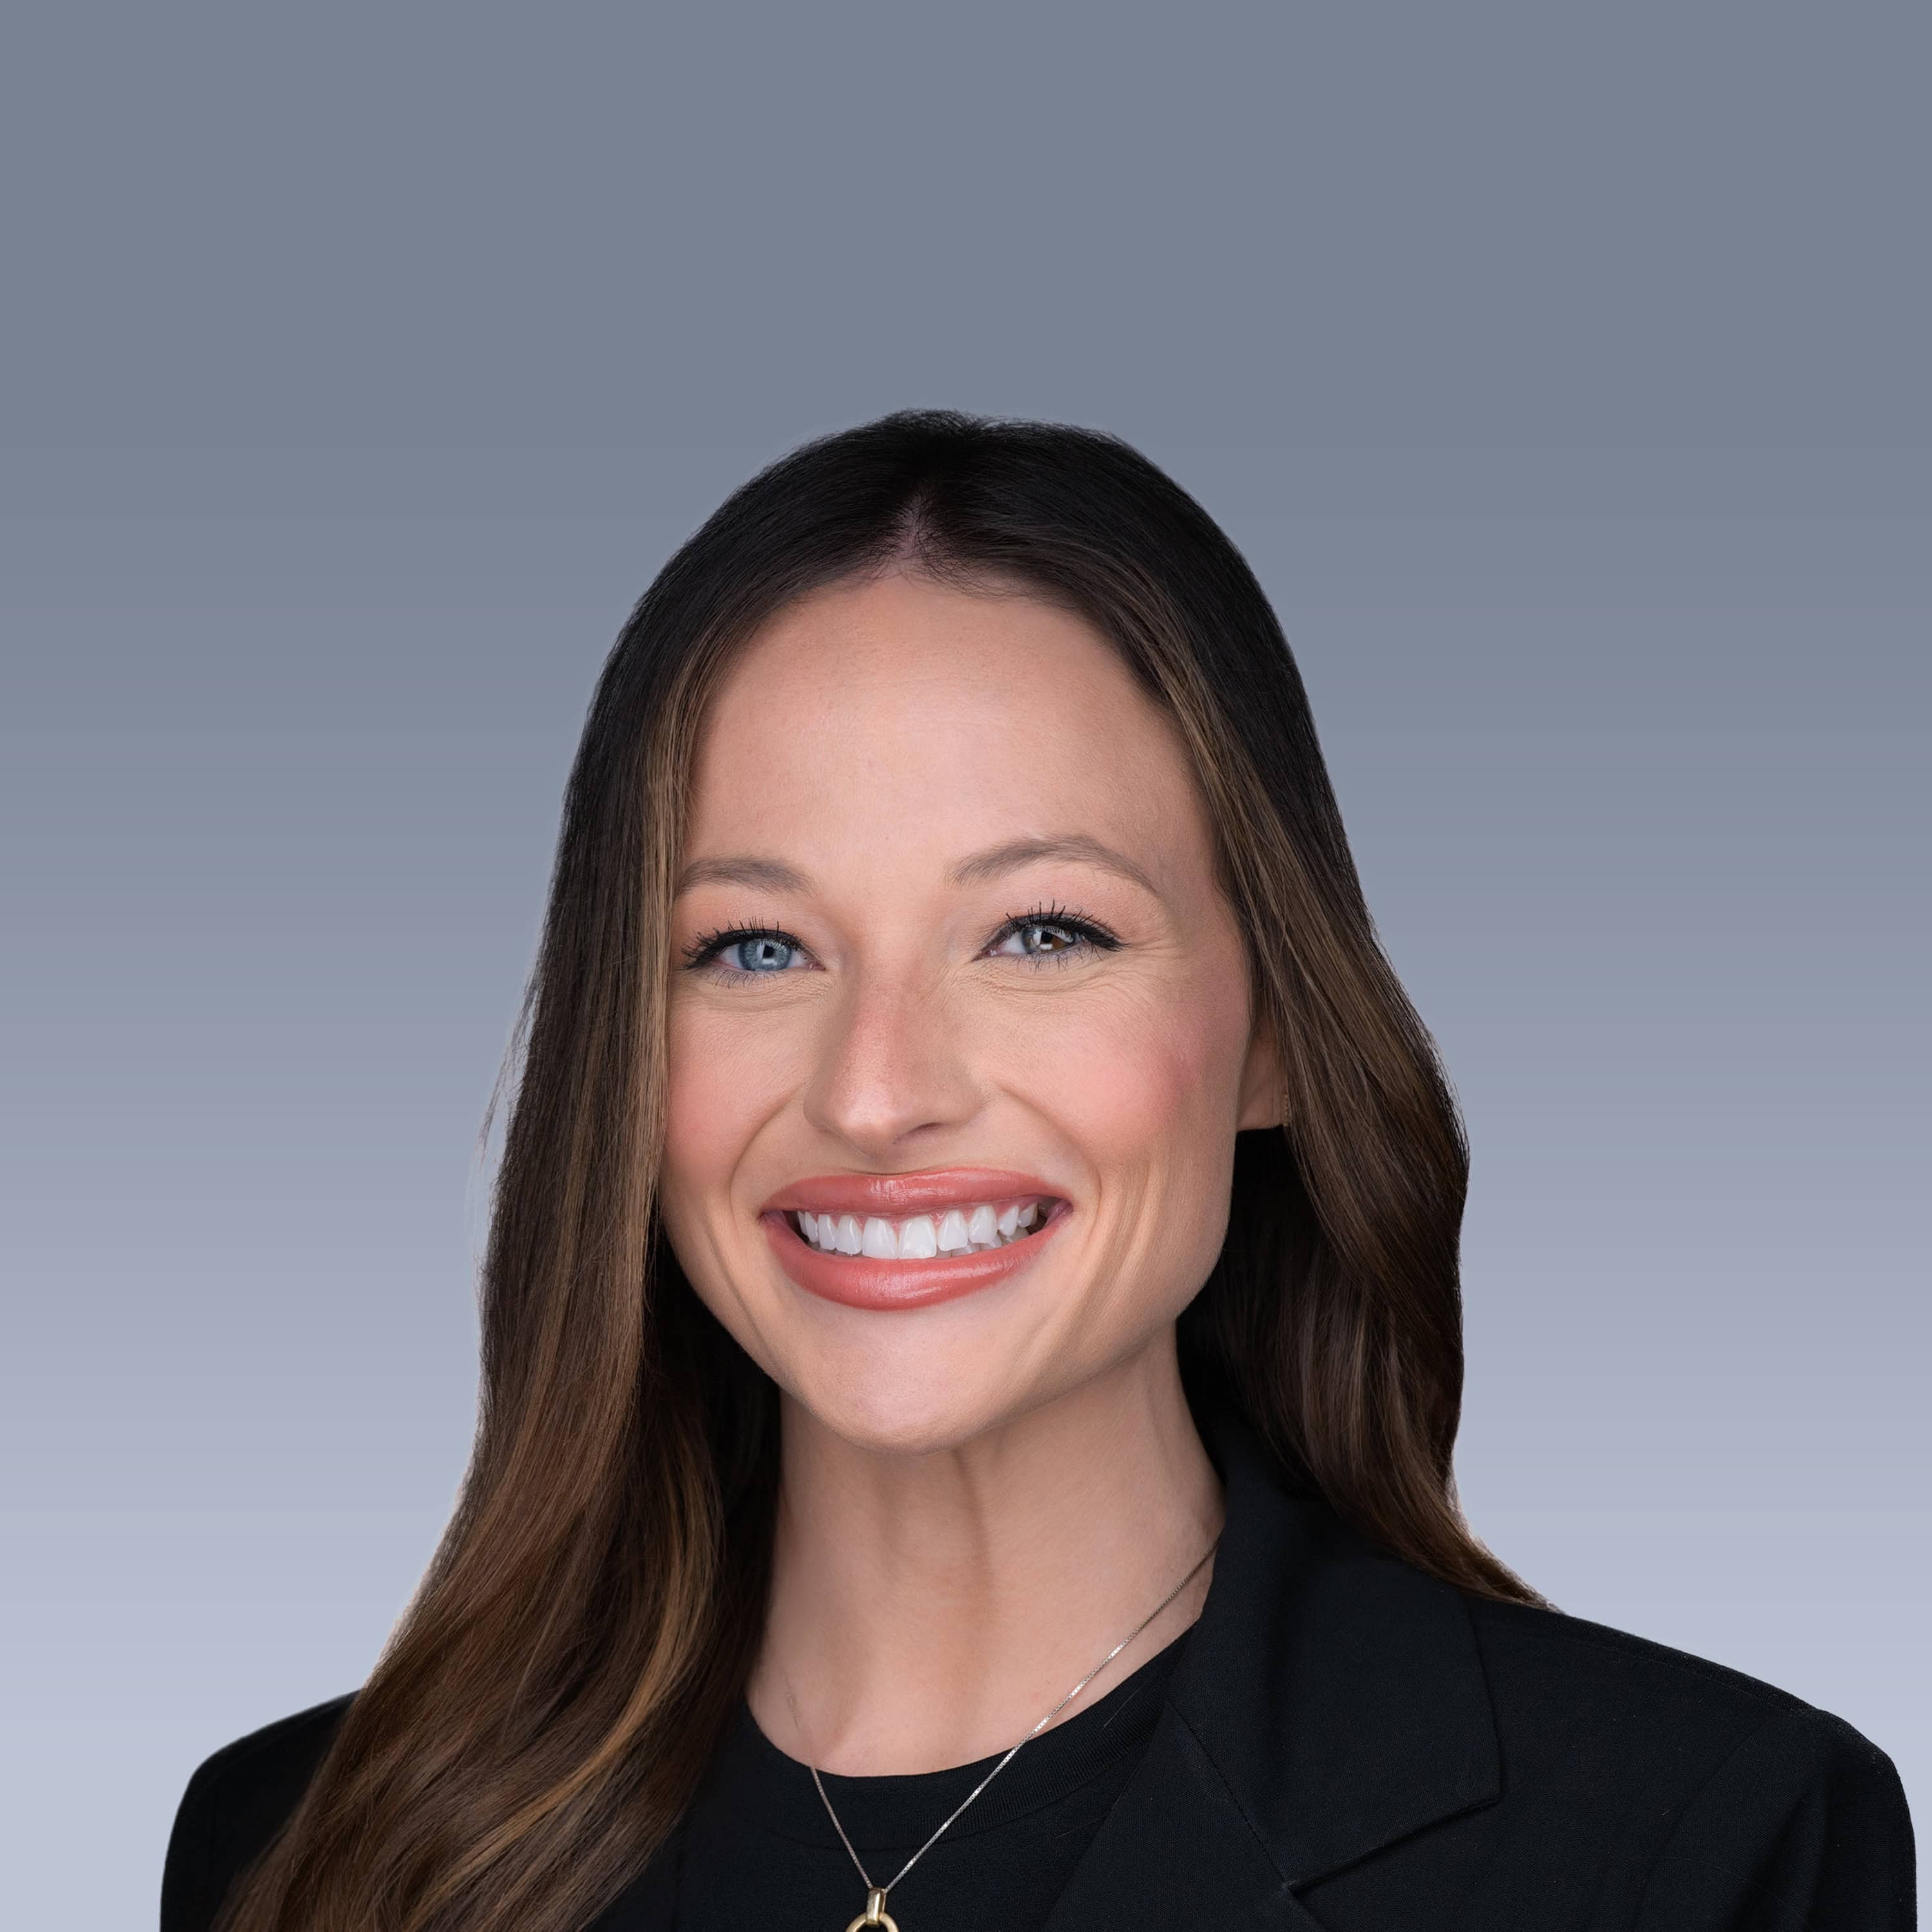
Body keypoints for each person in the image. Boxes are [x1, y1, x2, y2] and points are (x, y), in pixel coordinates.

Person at [161, 411, 1916, 1932]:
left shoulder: (1689, 1849)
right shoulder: (309, 1848)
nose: (877, 1091)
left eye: (1044, 931)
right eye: (756, 950)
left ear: (1275, 1032)